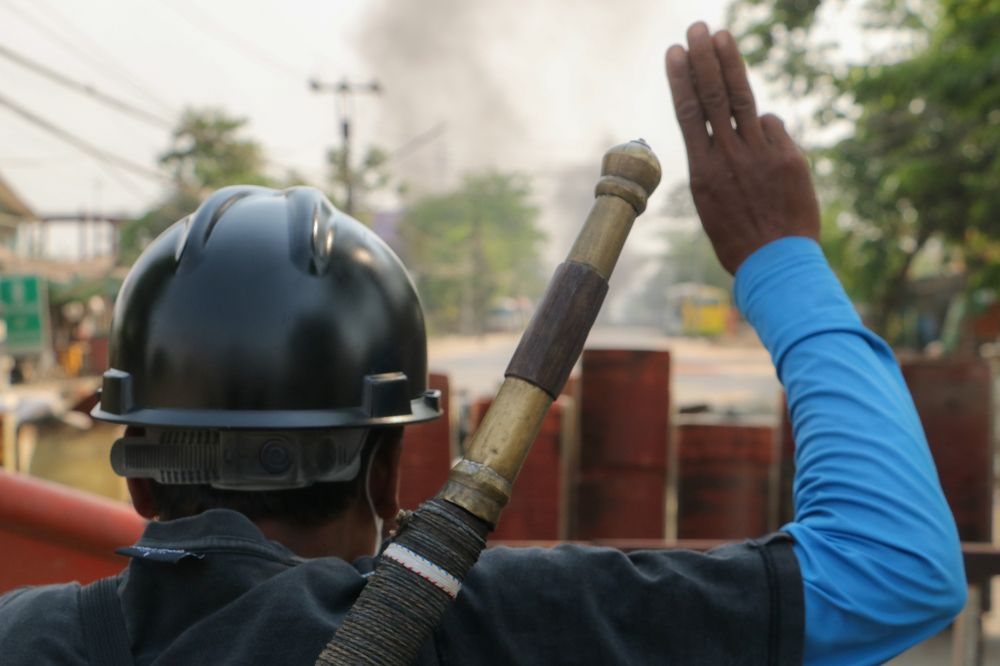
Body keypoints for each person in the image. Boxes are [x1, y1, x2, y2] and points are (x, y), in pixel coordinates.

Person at [0, 22, 965, 665]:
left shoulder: (28, 638)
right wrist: (780, 256)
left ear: (139, 480)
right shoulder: (489, 624)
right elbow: (896, 570)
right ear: (389, 474)